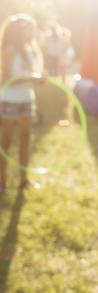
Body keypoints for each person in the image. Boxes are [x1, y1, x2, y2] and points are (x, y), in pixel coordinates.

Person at [0, 14, 45, 192]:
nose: (31, 32)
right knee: (6, 142)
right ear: (18, 30)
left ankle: (23, 179)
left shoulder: (29, 49)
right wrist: (32, 78)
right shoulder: (9, 50)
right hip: (10, 99)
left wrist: (37, 80)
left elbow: (29, 75)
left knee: (26, 140)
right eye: (28, 28)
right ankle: (1, 182)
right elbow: (6, 79)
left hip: (27, 98)